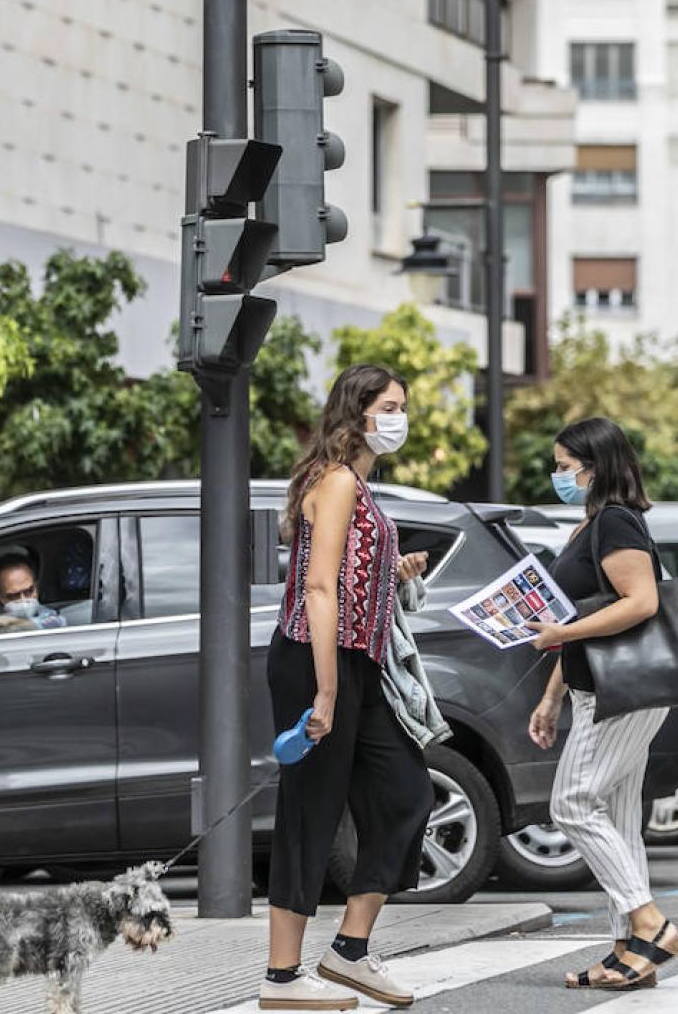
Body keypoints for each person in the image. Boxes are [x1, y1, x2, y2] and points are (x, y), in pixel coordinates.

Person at [260, 364, 432, 1013]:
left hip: (359, 661)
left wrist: (397, 565)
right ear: (357, 412)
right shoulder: (333, 481)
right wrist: (326, 694)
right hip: (314, 659)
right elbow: (320, 588)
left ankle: (349, 952)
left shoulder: (357, 482)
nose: (399, 417)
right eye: (390, 406)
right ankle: (280, 978)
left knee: (406, 793)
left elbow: (355, 575)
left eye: (401, 406)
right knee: (311, 807)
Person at [522, 416, 678, 991]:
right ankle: (628, 953)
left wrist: (560, 637)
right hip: (600, 688)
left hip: (624, 694)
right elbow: (581, 619)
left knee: (571, 804)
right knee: (616, 818)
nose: (558, 475)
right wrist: (551, 696)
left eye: (566, 467)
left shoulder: (615, 521)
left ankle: (650, 924)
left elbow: (639, 603)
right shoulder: (591, 526)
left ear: (596, 468)